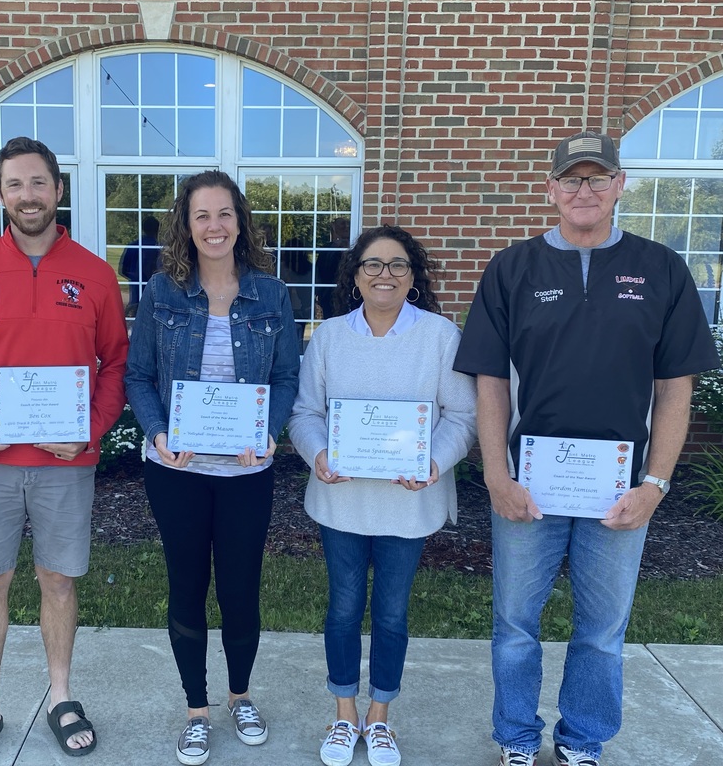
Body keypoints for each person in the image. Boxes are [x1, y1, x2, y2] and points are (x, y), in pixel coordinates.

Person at [453, 131, 720, 766]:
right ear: (550, 189)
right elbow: (489, 379)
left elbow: (673, 387)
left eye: (598, 179)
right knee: (515, 626)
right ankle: (517, 738)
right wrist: (496, 472)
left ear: (620, 186)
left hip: (619, 486)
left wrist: (654, 485)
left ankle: (582, 739)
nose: (585, 191)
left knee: (602, 631)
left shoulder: (661, 269)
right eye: (572, 179)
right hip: (530, 483)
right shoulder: (512, 267)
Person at [0, 136, 128, 762]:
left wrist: (90, 432)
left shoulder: (95, 274)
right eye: (14, 184)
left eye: (38, 183)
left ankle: (61, 696)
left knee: (59, 582)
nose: (27, 195)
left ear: (58, 190)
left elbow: (116, 365)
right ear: (0, 195)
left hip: (65, 464)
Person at [124, 170, 300, 765]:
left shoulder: (272, 295)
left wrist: (268, 432)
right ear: (186, 225)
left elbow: (285, 377)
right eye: (202, 216)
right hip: (176, 467)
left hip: (246, 470)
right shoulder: (162, 292)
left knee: (241, 588)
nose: (214, 226)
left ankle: (240, 695)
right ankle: (197, 709)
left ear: (240, 221)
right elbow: (139, 375)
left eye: (224, 214)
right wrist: (156, 430)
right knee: (187, 586)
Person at [288, 225, 477, 766]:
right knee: (344, 609)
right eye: (372, 264)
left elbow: (461, 416)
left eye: (397, 264)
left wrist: (434, 462)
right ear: (355, 276)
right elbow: (305, 414)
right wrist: (318, 454)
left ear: (413, 276)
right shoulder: (328, 337)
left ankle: (380, 716)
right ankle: (345, 714)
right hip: (341, 501)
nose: (385, 274)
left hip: (410, 502)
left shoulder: (440, 336)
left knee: (392, 614)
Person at [119, 215, 161, 313]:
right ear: (158, 229)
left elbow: (123, 270)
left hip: (136, 298)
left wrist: (136, 278)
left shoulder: (133, 246)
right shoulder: (161, 248)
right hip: (157, 297)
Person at [317, 217, 350, 320]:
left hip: (349, 292)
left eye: (347, 224)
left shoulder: (355, 247)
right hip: (329, 293)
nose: (346, 227)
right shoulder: (327, 248)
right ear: (334, 228)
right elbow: (320, 270)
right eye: (342, 224)